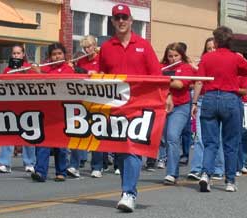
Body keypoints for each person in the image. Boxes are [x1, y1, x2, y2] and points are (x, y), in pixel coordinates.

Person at [97, 3, 162, 212]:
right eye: (117, 18)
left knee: (133, 148)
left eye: (125, 17)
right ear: (113, 21)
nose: (121, 21)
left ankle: (129, 193)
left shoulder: (144, 45)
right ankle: (127, 190)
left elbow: (157, 77)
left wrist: (164, 98)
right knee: (121, 152)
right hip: (115, 108)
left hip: (140, 106)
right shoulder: (106, 48)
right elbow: (100, 77)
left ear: (131, 20)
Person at [196, 26, 247, 193]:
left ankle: (206, 175)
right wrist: (241, 59)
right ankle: (229, 181)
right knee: (230, 142)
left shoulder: (207, 57)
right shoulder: (235, 58)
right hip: (230, 98)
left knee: (210, 142)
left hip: (210, 98)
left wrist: (194, 103)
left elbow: (200, 79)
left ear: (215, 41)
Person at [30, 42, 73, 183]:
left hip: (62, 111)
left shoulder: (68, 69)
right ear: (50, 57)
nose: (57, 56)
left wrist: (40, 74)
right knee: (43, 143)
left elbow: (59, 83)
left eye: (59, 54)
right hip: (46, 111)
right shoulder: (45, 68)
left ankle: (61, 171)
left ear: (64, 55)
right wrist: (33, 70)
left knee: (60, 144)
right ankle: (40, 171)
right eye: (54, 54)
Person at [187, 37, 225, 181]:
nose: (211, 51)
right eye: (208, 48)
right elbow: (198, 81)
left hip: (217, 100)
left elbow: (213, 77)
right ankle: (197, 168)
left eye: (214, 48)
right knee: (200, 137)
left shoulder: (222, 62)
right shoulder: (203, 62)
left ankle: (218, 168)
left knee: (217, 137)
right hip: (203, 100)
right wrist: (194, 103)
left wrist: (195, 67)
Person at [159, 42, 196, 185]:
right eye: (170, 56)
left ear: (181, 55)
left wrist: (163, 80)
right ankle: (173, 169)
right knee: (167, 139)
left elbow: (180, 84)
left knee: (173, 136)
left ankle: (171, 173)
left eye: (176, 55)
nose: (173, 59)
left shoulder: (185, 67)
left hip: (181, 106)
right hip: (163, 106)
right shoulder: (161, 67)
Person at [69, 36, 105, 178]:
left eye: (89, 47)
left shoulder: (101, 59)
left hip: (97, 99)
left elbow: (103, 75)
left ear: (95, 45)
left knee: (95, 132)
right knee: (77, 131)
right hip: (83, 98)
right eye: (85, 48)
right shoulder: (81, 61)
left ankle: (97, 166)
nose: (87, 50)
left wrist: (95, 74)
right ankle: (74, 165)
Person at [2, 44, 37, 174]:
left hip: (27, 105)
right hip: (12, 105)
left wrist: (25, 72)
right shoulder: (7, 69)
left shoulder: (29, 68)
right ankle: (5, 163)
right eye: (14, 53)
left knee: (29, 134)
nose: (16, 55)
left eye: (18, 53)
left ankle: (29, 162)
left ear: (23, 54)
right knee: (9, 134)